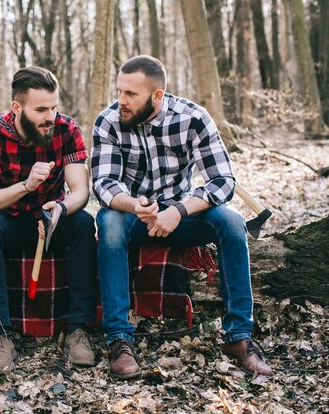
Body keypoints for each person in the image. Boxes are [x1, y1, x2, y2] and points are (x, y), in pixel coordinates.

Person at [92, 55, 274, 380]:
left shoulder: (193, 118)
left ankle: (239, 337)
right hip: (133, 216)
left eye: (131, 94)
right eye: (120, 91)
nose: (121, 100)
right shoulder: (109, 121)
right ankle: (119, 340)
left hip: (181, 217)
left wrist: (178, 210)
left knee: (231, 221)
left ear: (157, 95)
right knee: (107, 222)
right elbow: (104, 184)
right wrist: (134, 204)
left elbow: (223, 181)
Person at [0, 66, 97, 374]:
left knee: (82, 223)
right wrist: (26, 186)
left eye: (54, 107)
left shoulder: (67, 130)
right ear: (17, 107)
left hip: (53, 219)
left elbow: (81, 192)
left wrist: (62, 209)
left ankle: (78, 329)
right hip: (9, 220)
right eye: (41, 109)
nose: (50, 116)